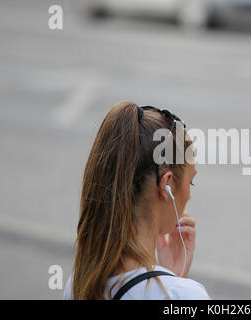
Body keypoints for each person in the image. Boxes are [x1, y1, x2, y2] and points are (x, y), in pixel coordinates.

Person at [63, 101, 210, 300]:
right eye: (190, 182)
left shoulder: (77, 285)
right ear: (167, 184)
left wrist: (173, 277)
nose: (190, 195)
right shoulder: (185, 296)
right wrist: (176, 281)